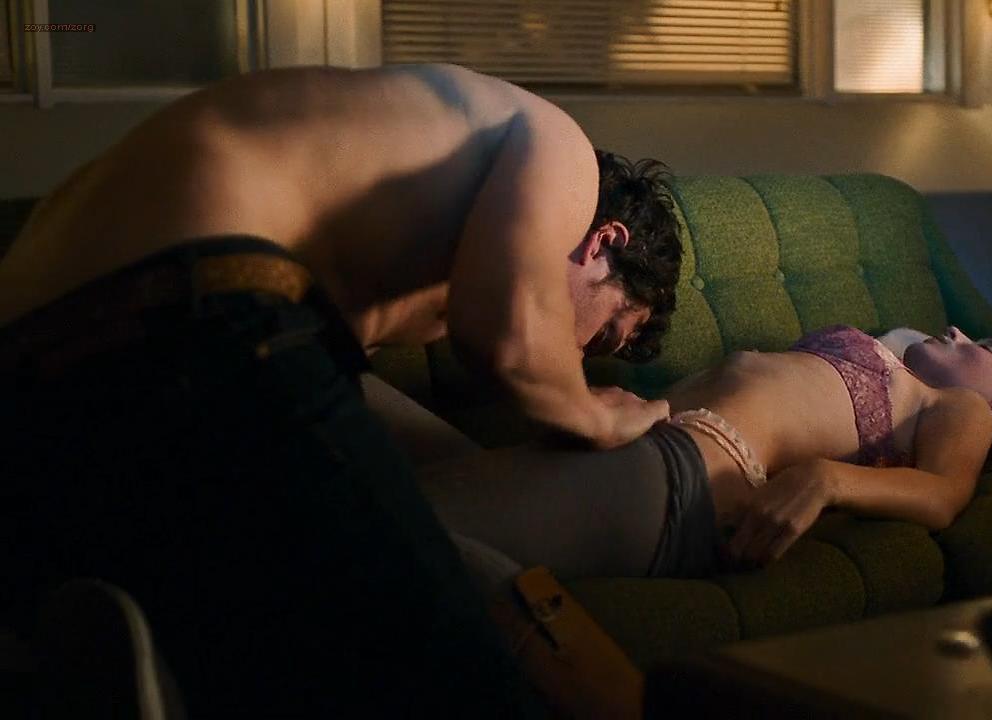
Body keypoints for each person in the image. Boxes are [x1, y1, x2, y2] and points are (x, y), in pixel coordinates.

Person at [0, 63, 681, 717]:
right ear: (603, 242)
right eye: (600, 337)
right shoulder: (561, 151)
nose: (576, 357)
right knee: (453, 663)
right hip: (194, 290)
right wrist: (600, 418)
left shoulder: (397, 203)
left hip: (34, 355)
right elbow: (509, 342)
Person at [423, 323, 992, 578]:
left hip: (691, 477)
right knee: (374, 438)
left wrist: (825, 479)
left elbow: (942, 495)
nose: (960, 334)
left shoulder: (961, 409)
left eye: (986, 347)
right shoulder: (900, 360)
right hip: (631, 442)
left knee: (400, 518)